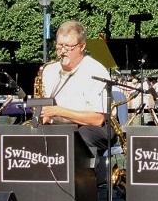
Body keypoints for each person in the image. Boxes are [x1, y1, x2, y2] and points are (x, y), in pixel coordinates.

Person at [40, 21, 115, 153]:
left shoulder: (95, 71)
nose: (62, 51)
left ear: (82, 47)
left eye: (68, 47)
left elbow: (97, 119)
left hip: (94, 127)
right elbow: (45, 112)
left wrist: (59, 111)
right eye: (59, 46)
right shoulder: (48, 70)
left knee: (78, 138)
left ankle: (80, 173)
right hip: (59, 125)